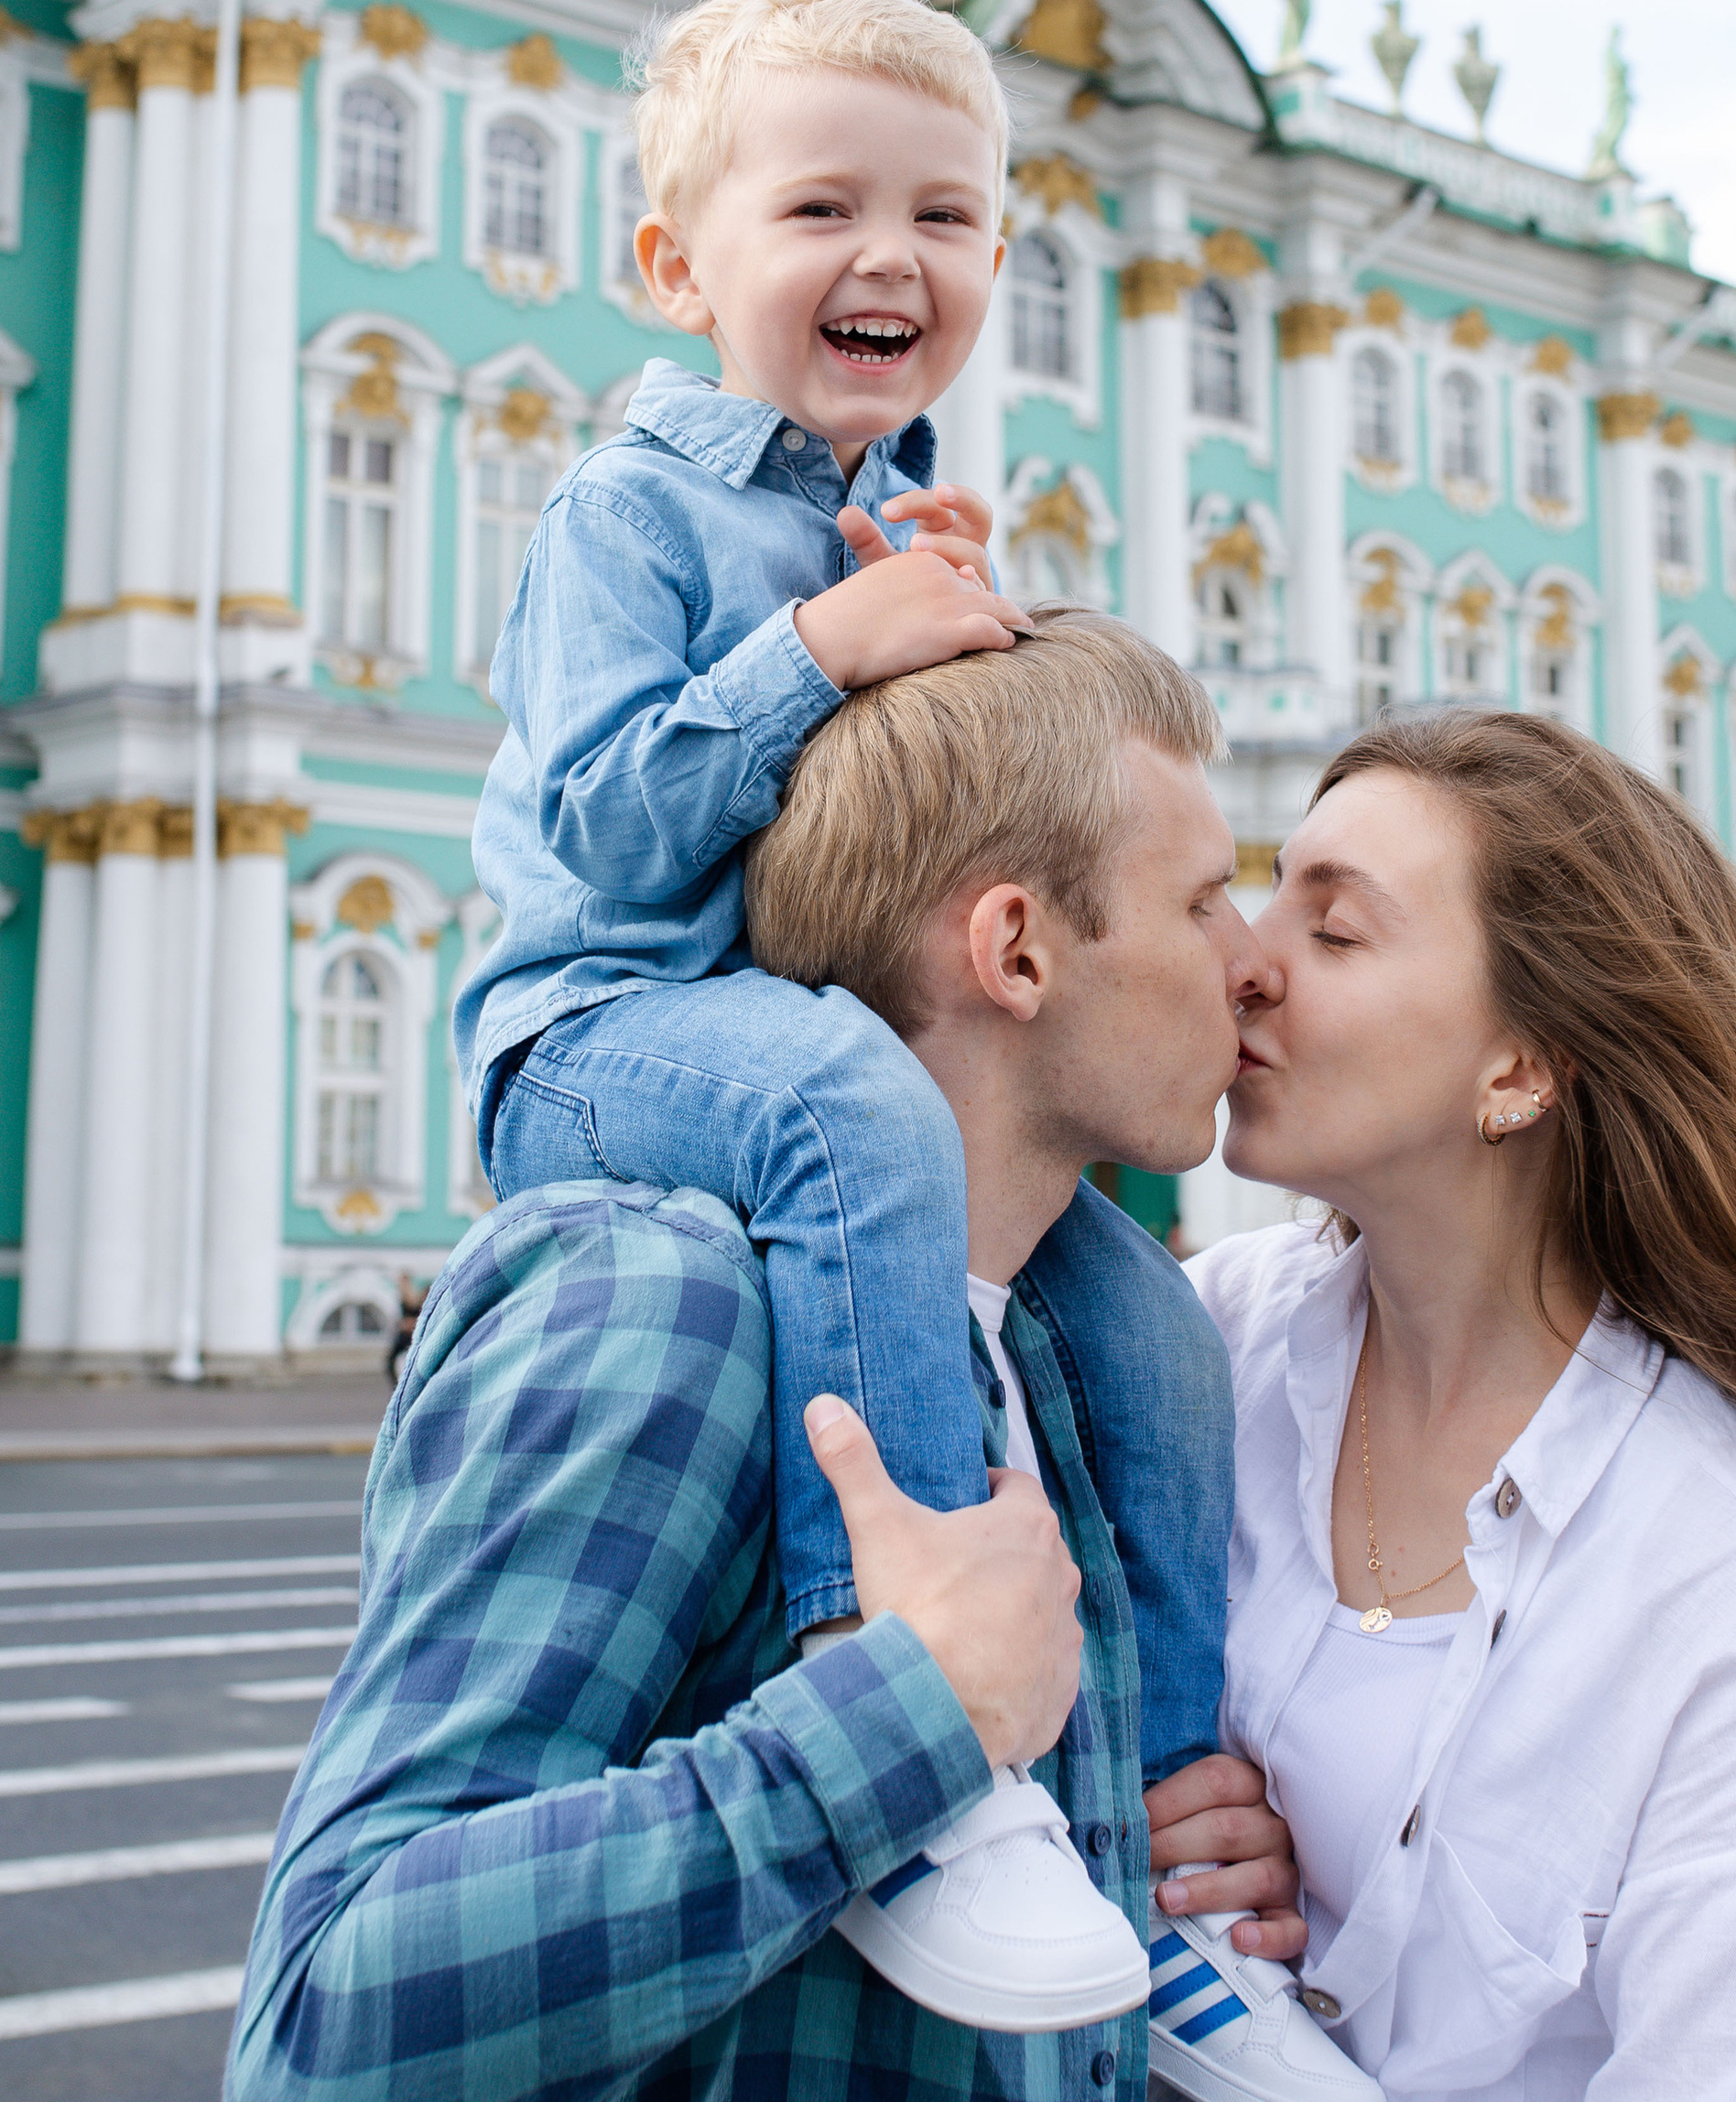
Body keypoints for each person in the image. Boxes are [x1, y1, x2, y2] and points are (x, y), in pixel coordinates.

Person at [226, 610, 1350, 2101]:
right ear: (1015, 950)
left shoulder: (1078, 1356)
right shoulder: (666, 1304)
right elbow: (329, 2016)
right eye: (1204, 901)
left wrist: (1162, 1856)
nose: (1253, 964)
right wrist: (908, 1720)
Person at [450, 0, 1226, 2021]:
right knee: (852, 1111)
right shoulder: (626, 512)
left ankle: (1175, 1845)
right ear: (676, 265)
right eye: (822, 207)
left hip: (789, 1040)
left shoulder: (890, 511)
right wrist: (819, 646)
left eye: (946, 216)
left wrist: (964, 657)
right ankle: (901, 1710)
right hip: (595, 1034)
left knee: (1148, 1324)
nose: (892, 253)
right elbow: (610, 828)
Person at [1186, 708, 1736, 2096]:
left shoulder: (1729, 1570)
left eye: (1336, 930)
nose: (1246, 962)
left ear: (1520, 1070)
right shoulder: (1211, 1344)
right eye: (1263, 897)